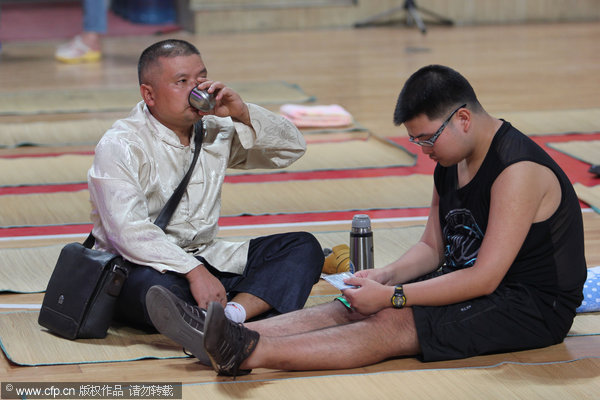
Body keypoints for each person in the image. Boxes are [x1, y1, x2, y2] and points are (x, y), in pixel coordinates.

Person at [157, 64, 587, 377]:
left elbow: (485, 278)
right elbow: (433, 249)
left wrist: (394, 297)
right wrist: (381, 278)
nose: (423, 150)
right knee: (352, 303)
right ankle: (232, 331)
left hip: (529, 307)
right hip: (474, 283)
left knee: (392, 321)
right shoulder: (449, 160)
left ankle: (247, 353)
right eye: (415, 141)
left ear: (463, 119)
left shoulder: (517, 172)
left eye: (428, 139)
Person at [87, 39, 324, 364]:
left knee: (303, 247)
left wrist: (243, 113)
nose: (196, 89)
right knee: (155, 291)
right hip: (139, 266)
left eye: (200, 78)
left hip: (206, 258)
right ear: (149, 94)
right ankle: (242, 316)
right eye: (181, 81)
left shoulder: (215, 130)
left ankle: (229, 319)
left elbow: (291, 149)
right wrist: (194, 272)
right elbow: (128, 233)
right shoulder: (121, 145)